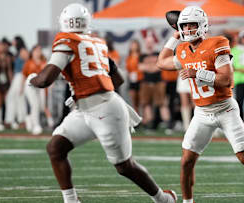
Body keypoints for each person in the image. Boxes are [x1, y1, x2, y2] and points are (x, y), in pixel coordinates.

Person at [26, 3, 176, 203]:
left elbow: (45, 79)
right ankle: (71, 201)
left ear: (63, 22)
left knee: (124, 167)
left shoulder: (66, 41)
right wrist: (89, 90)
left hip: (103, 110)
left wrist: (32, 79)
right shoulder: (96, 43)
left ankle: (163, 199)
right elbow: (119, 79)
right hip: (88, 109)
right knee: (55, 148)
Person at [157, 6, 244, 203]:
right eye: (184, 25)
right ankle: (188, 202)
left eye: (192, 25)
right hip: (201, 113)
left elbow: (227, 80)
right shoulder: (182, 50)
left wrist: (197, 73)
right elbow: (161, 62)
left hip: (225, 109)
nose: (188, 29)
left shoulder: (218, 43)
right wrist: (174, 37)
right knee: (186, 161)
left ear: (202, 26)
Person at [5, 36, 29, 129]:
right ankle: (11, 120)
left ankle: (21, 120)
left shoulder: (23, 51)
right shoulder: (17, 52)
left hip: (21, 76)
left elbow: (27, 64)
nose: (13, 42)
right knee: (12, 97)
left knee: (19, 98)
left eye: (14, 41)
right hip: (17, 76)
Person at [125, 39, 144, 113]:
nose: (133, 47)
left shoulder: (140, 56)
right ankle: (136, 117)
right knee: (134, 101)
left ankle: (143, 118)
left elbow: (141, 67)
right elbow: (128, 68)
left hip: (140, 79)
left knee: (141, 101)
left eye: (135, 45)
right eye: (132, 45)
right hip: (132, 80)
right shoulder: (129, 58)